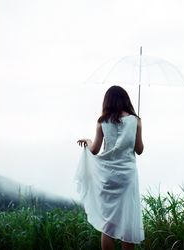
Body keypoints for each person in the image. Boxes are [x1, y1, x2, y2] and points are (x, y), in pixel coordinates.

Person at [76, 85, 144, 250]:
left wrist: (88, 141)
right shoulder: (136, 120)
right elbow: (139, 150)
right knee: (128, 221)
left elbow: (94, 150)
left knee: (108, 223)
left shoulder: (102, 121)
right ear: (125, 100)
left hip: (108, 176)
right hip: (127, 177)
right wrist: (136, 128)